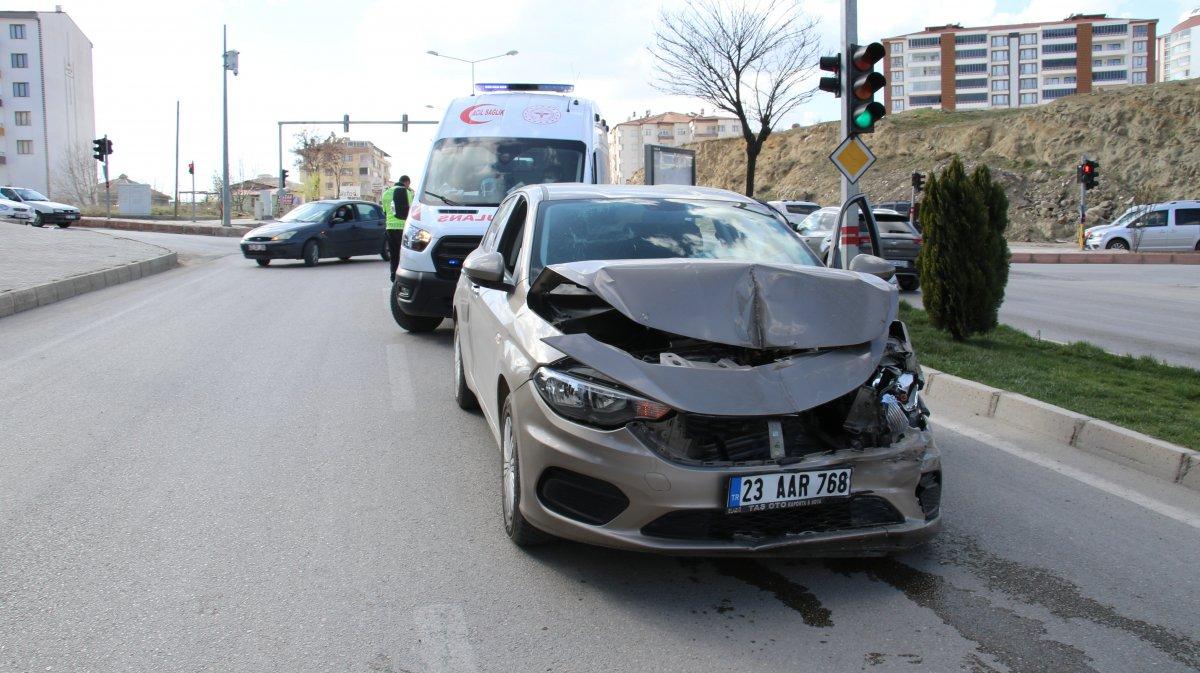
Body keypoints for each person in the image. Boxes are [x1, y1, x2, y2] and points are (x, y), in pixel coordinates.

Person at [382, 176, 414, 280]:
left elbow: (385, 211)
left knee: (393, 253)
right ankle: (402, 276)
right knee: (404, 253)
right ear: (406, 182)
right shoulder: (408, 192)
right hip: (403, 228)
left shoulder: (386, 193)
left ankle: (393, 274)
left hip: (390, 227)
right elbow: (411, 211)